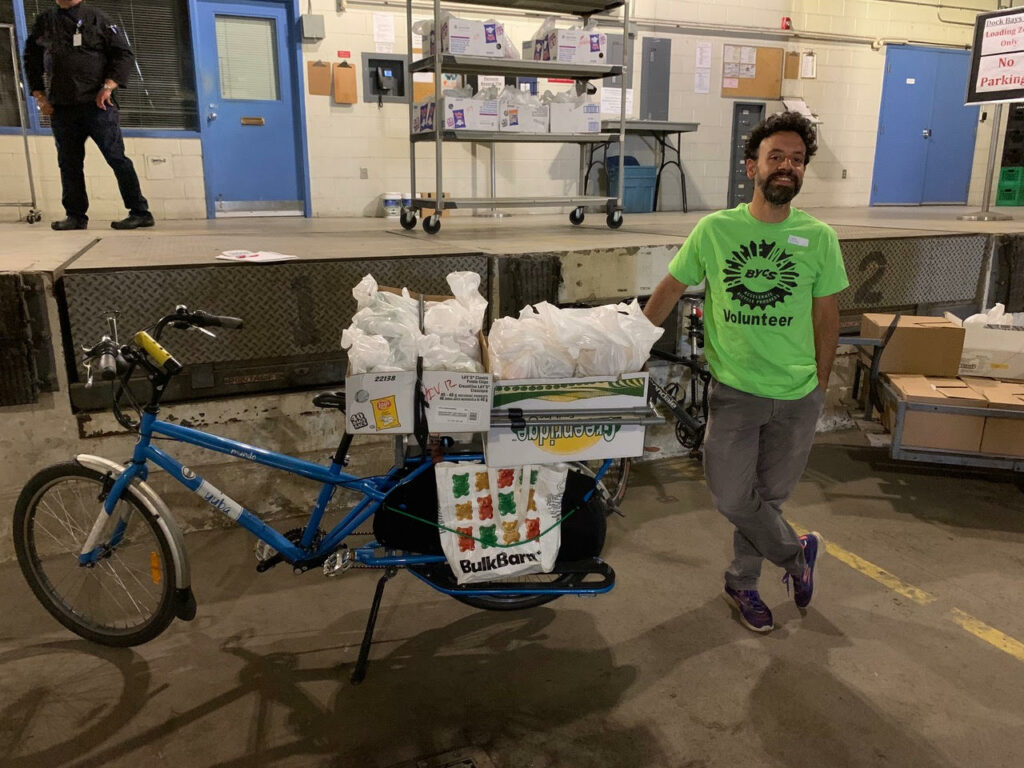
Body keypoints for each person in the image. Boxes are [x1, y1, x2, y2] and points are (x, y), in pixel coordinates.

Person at [644, 112, 849, 633]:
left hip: (798, 394)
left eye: (797, 160)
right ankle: (797, 555)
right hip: (737, 392)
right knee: (734, 497)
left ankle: (742, 584)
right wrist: (631, 344)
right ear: (751, 166)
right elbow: (670, 288)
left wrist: (820, 386)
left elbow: (827, 315)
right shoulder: (716, 230)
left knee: (769, 499)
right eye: (776, 157)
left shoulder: (819, 237)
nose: (787, 167)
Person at [24, 0, 154, 231]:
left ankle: (140, 212)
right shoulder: (45, 22)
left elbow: (124, 54)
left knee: (116, 158)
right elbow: (31, 59)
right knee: (69, 163)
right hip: (62, 108)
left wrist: (109, 86)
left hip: (97, 105)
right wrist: (39, 96)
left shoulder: (98, 18)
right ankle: (75, 216)